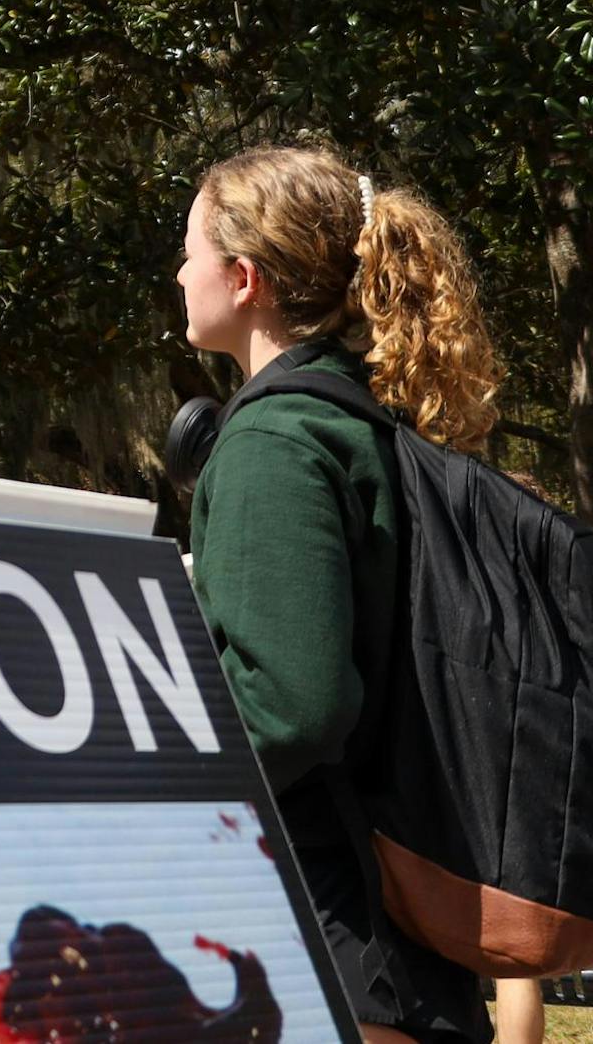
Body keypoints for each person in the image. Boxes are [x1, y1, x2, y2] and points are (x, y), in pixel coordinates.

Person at [179, 146, 501, 1042]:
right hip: (402, 932)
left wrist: (160, 782)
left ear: (244, 279)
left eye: (190, 250)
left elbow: (290, 705)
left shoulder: (275, 441)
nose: (178, 271)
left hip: (329, 932)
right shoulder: (366, 419)